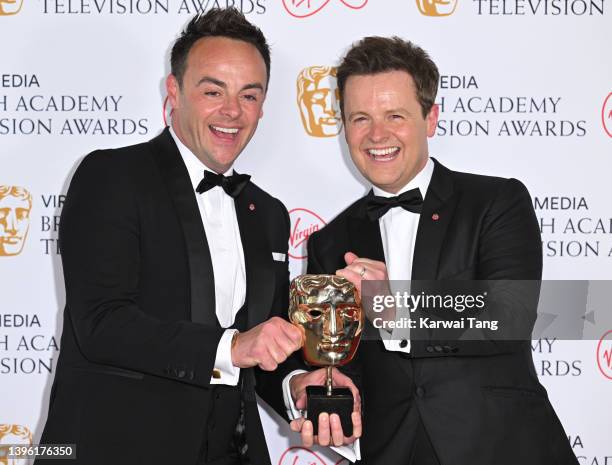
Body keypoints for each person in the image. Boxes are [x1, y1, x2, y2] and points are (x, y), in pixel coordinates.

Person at [287, 36, 578, 465]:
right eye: (360, 118)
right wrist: (324, 382)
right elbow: (343, 364)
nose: (376, 135)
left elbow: (510, 314)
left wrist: (393, 304)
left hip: (505, 447)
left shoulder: (496, 202)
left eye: (395, 116)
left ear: (431, 118)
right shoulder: (330, 243)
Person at [37, 9, 306, 465]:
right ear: (174, 92)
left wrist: (294, 385)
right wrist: (232, 345)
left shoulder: (270, 215)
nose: (232, 112)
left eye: (249, 95)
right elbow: (101, 323)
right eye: (212, 91)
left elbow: (259, 352)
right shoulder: (111, 176)